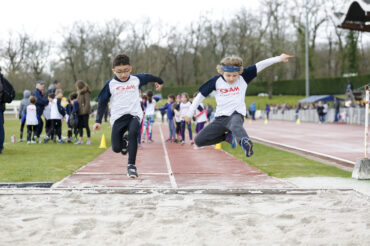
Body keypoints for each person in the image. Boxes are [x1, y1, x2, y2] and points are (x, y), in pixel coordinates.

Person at [183, 53, 292, 157]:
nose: (231, 78)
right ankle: (227, 137)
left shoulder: (244, 77)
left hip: (236, 114)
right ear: (222, 72)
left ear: (239, 72)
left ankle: (245, 143)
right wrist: (189, 113)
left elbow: (261, 64)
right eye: (228, 75)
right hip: (220, 118)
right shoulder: (215, 81)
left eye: (234, 75)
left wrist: (279, 58)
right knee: (199, 140)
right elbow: (200, 96)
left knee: (235, 125)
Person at [93, 53, 164, 178]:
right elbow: (102, 102)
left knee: (133, 133)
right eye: (119, 72)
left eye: (126, 71)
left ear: (130, 68)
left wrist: (160, 82)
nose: (123, 75)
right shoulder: (110, 84)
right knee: (116, 148)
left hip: (134, 114)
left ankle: (131, 166)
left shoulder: (136, 79)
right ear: (113, 71)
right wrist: (98, 120)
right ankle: (124, 141)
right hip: (118, 118)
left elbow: (149, 77)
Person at [75, 80, 92, 145]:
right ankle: (80, 140)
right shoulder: (79, 93)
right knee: (80, 127)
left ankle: (89, 140)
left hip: (85, 113)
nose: (76, 87)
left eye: (77, 86)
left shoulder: (86, 92)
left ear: (79, 86)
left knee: (86, 126)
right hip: (79, 113)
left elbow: (87, 103)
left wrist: (84, 112)